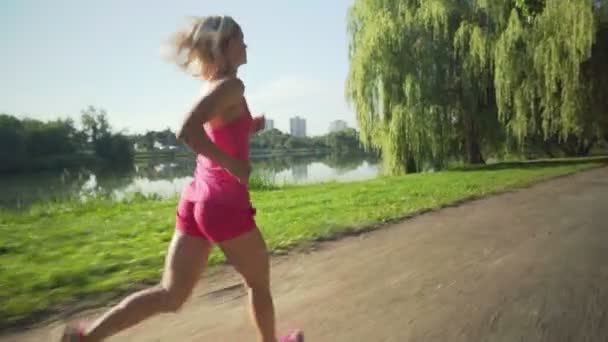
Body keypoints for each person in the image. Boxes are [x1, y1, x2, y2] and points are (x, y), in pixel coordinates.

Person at [61, 15, 303, 342]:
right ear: (225, 46)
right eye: (241, 39)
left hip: (196, 201)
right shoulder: (233, 85)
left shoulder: (217, 85)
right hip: (224, 205)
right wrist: (233, 165)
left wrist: (249, 125)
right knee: (258, 282)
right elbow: (187, 132)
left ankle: (86, 337)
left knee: (170, 295)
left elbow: (216, 130)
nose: (247, 45)